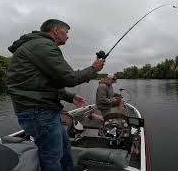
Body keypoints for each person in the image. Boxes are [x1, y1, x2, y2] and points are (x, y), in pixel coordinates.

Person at [6, 19, 105, 171]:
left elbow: (43, 83)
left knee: (65, 147)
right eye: (66, 32)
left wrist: (70, 97)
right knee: (51, 155)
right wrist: (93, 69)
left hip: (44, 111)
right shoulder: (43, 46)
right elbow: (69, 77)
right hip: (38, 112)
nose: (68, 36)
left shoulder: (38, 46)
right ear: (55, 30)